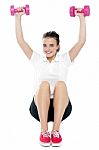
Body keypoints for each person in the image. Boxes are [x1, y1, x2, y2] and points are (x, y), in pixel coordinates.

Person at [15, 7, 86, 147]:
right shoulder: (37, 59)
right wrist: (18, 17)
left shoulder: (65, 59)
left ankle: (56, 131)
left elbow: (81, 41)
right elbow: (20, 40)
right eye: (45, 45)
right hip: (40, 109)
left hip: (61, 108)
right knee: (44, 84)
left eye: (51, 45)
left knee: (61, 84)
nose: (47, 49)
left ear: (58, 46)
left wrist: (81, 17)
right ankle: (44, 131)